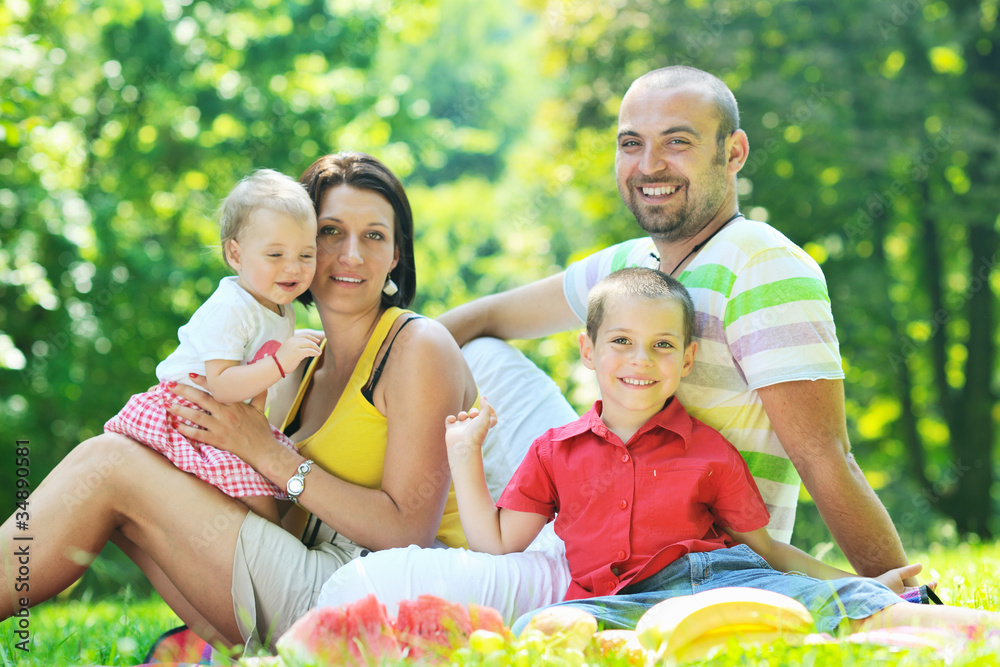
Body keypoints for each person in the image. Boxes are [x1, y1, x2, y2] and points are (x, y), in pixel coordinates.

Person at [437, 65, 914, 583]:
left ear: (733, 153)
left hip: (695, 566)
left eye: (677, 142)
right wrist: (359, 366)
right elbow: (484, 315)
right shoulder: (627, 266)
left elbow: (826, 457)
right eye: (631, 143)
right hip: (588, 526)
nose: (649, 165)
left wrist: (897, 594)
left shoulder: (761, 264)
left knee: (388, 584)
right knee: (467, 351)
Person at [0, 152, 486, 654]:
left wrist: (269, 453)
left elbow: (405, 531)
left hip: (371, 598)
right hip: (303, 570)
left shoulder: (416, 347)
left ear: (397, 255)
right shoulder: (296, 361)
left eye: (374, 236)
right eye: (330, 232)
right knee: (120, 465)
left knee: (109, 464)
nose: (351, 255)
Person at [445, 268, 996, 637]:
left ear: (686, 360)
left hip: (726, 578)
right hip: (619, 599)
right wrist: (466, 456)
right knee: (539, 632)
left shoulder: (709, 450)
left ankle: (973, 630)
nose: (640, 360)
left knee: (853, 608)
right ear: (588, 350)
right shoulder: (553, 452)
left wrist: (852, 582)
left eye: (662, 346)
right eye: (621, 342)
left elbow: (770, 553)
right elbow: (494, 543)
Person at [104, 169, 322, 525]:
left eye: (306, 255)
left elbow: (257, 380)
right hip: (185, 415)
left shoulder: (280, 307)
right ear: (235, 255)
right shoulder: (231, 308)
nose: (292, 267)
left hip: (221, 418)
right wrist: (282, 363)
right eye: (275, 254)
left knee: (270, 498)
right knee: (261, 508)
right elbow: (221, 383)